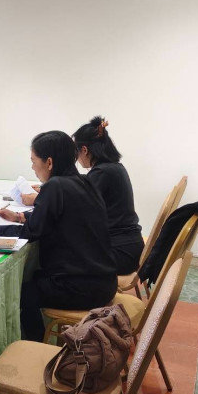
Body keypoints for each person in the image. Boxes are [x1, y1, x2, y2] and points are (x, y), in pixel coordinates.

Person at [0, 131, 117, 341]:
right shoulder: (84, 183)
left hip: (82, 288)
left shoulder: (55, 186)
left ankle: (37, 345)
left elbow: (31, 232)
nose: (32, 167)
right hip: (104, 281)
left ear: (49, 162)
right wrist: (20, 216)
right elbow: (56, 217)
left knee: (21, 294)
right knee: (36, 278)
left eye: (34, 161)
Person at [72, 116, 144, 275]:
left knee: (62, 257)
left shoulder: (102, 172)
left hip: (120, 252)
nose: (77, 158)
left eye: (76, 152)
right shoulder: (113, 167)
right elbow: (84, 187)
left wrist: (41, 198)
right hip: (129, 246)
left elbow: (77, 205)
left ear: (84, 150)